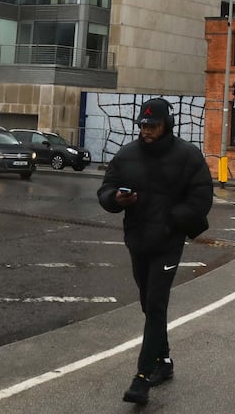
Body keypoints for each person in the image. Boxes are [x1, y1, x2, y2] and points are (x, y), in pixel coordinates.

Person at [97, 97, 213, 405]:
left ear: (167, 125)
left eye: (153, 126)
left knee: (157, 304)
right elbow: (105, 190)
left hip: (167, 243)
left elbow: (202, 198)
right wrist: (115, 199)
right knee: (148, 305)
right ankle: (164, 362)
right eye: (143, 125)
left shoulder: (188, 156)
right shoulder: (126, 155)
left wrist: (171, 221)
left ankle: (141, 378)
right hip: (137, 241)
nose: (147, 131)